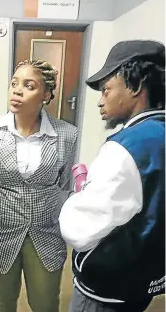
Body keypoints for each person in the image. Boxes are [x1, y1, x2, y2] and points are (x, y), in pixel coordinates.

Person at [59, 40, 165, 312]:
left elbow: (79, 229)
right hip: (149, 276)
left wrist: (78, 197)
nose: (100, 101)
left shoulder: (126, 148)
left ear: (136, 85)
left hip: (108, 288)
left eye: (106, 89)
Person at [0, 59, 78, 312]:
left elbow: (62, 183)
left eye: (28, 86)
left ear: (46, 95)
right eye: (14, 84)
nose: (17, 90)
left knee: (45, 303)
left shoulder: (67, 134)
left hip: (44, 231)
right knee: (4, 301)